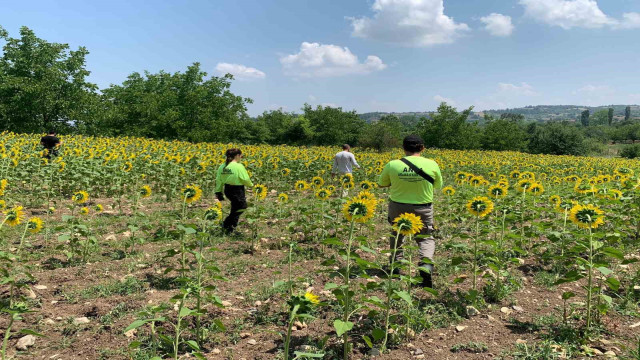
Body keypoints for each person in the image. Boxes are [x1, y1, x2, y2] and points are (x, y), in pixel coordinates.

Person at [378, 135, 443, 288]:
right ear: (422, 148)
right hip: (423, 206)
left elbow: (382, 184)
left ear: (404, 148)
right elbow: (438, 185)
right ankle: (426, 266)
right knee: (425, 237)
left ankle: (395, 266)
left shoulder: (393, 164)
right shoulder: (432, 164)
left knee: (397, 234)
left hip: (398, 205)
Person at [215, 148, 253, 234]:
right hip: (237, 190)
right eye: (240, 155)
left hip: (227, 189)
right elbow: (245, 178)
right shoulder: (238, 166)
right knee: (242, 206)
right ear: (237, 156)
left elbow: (219, 180)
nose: (241, 157)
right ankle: (226, 224)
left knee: (235, 207)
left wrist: (218, 191)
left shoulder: (222, 166)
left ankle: (230, 228)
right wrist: (251, 185)